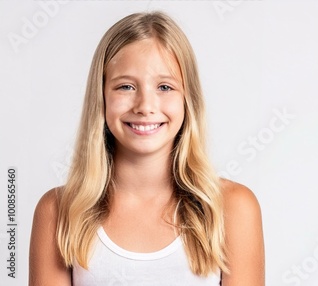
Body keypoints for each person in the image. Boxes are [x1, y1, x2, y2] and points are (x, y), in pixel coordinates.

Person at [29, 11, 264, 286]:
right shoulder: (58, 212)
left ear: (188, 99)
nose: (145, 106)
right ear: (101, 96)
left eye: (165, 86)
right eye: (126, 86)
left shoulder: (231, 208)